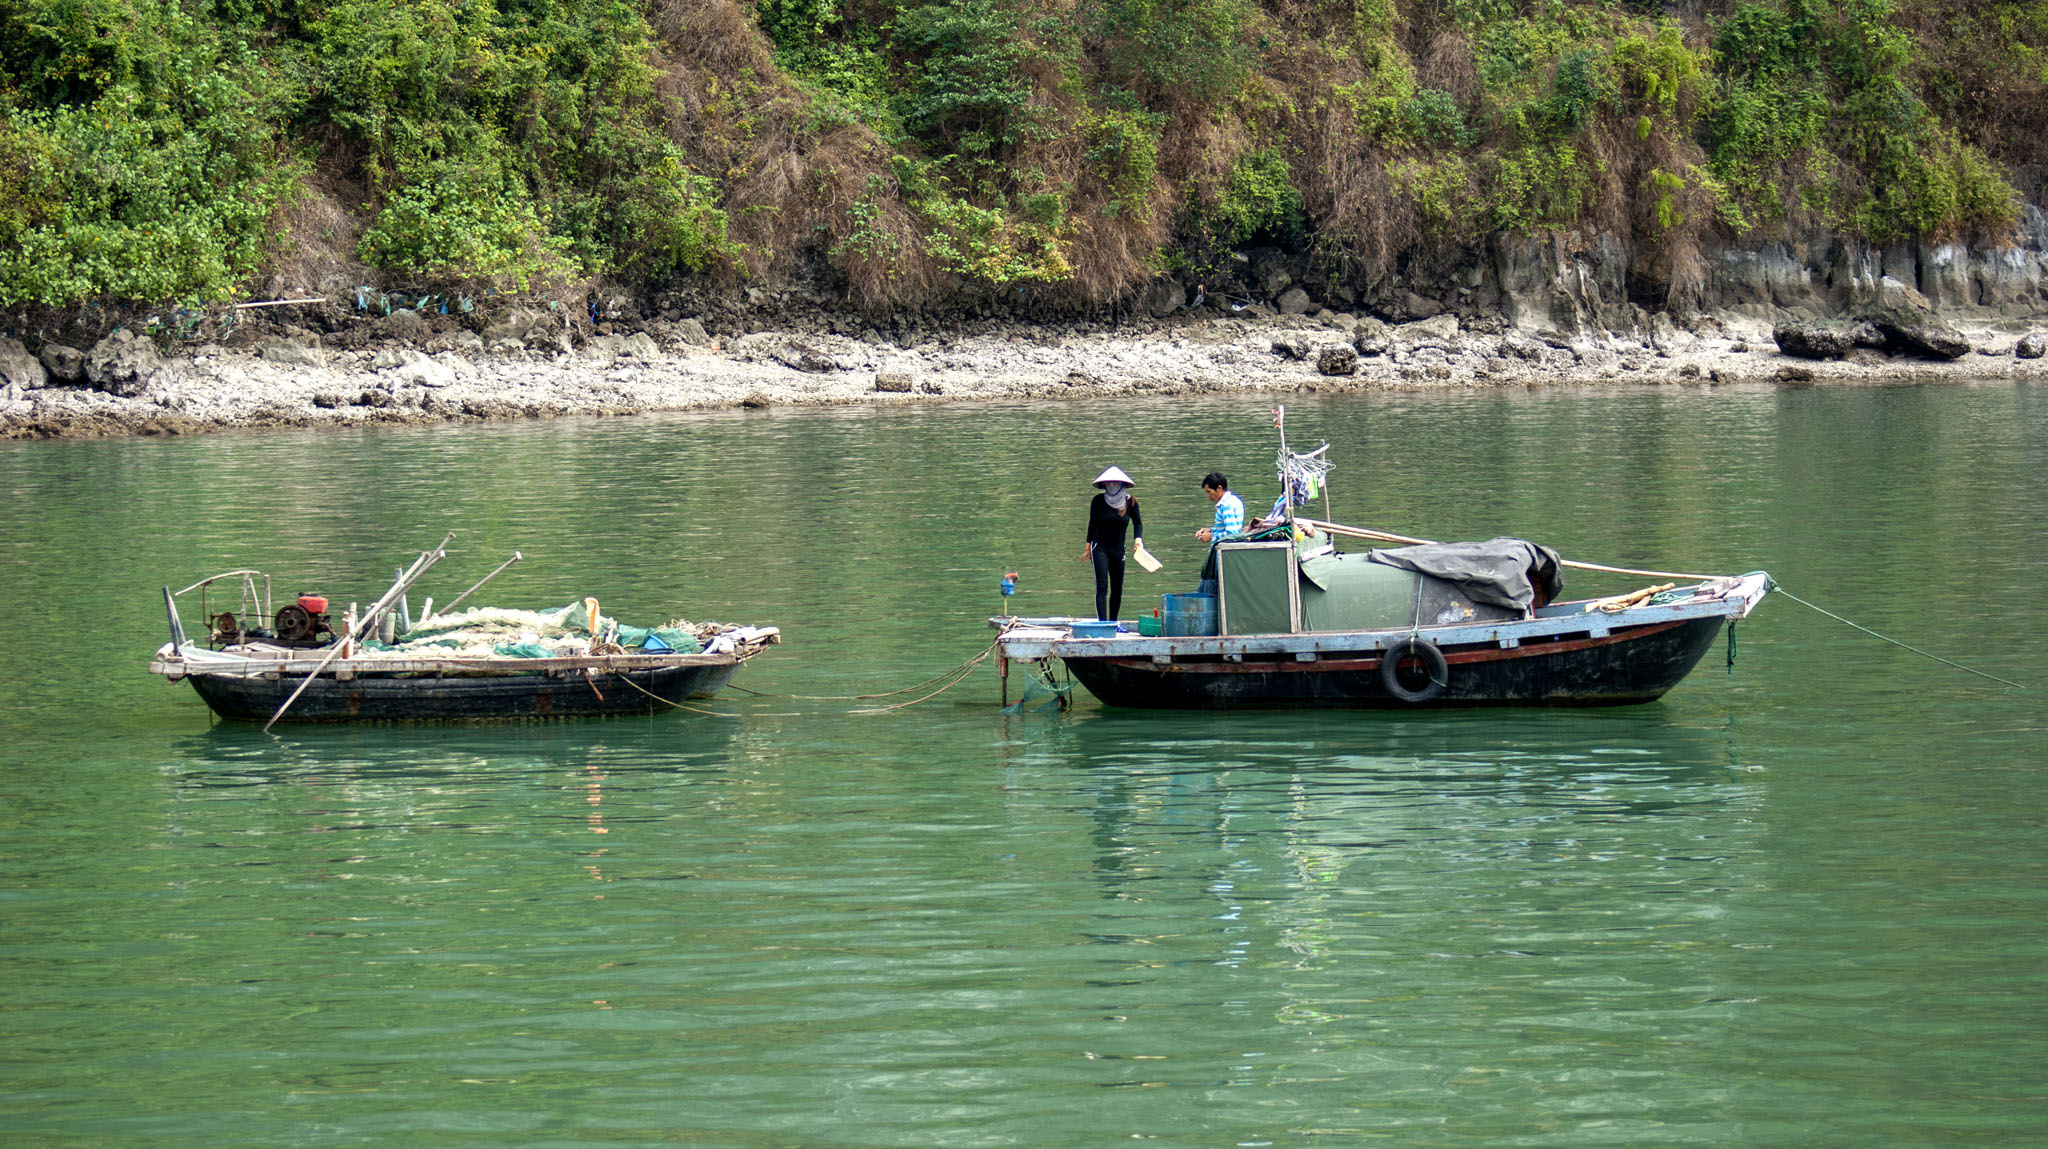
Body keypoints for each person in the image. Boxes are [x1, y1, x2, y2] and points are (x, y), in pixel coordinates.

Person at [1081, 466, 1144, 622]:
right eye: (1110, 483)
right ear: (1105, 485)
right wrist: (1087, 547)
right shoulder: (1098, 501)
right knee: (1102, 586)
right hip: (1099, 548)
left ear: (1122, 484)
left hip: (1118, 549)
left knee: (1117, 588)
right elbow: (1092, 523)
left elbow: (1138, 524)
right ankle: (1103, 623)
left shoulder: (1131, 502)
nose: (1112, 486)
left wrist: (1138, 540)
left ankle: (1113, 622)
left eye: (1116, 483)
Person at [1195, 471, 1242, 596]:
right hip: (1219, 553)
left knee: (1208, 594)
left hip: (1221, 555)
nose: (1208, 496)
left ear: (1219, 488)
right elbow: (1225, 528)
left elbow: (1232, 533)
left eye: (1209, 492)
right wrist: (1210, 530)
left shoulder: (1226, 505)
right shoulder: (1231, 501)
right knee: (1201, 591)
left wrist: (1211, 536)